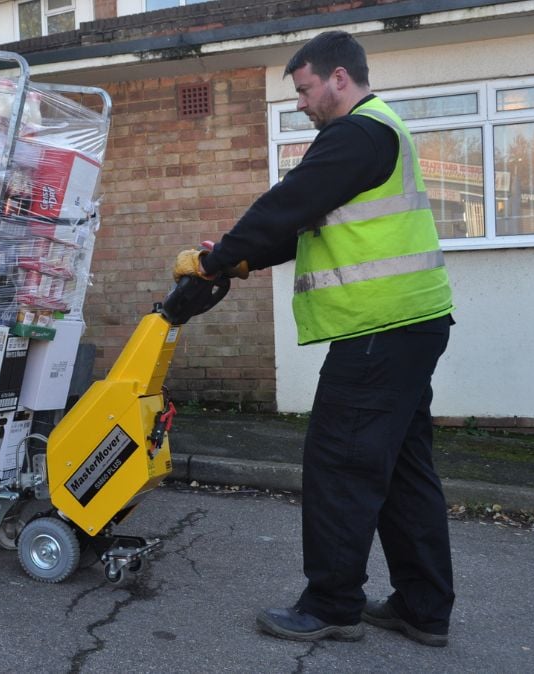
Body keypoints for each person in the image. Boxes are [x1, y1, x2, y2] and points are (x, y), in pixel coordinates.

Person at [173, 30, 455, 647]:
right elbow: (303, 225)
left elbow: (289, 202)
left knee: (341, 468)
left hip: (378, 331)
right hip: (409, 325)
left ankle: (331, 604)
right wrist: (236, 259)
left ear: (338, 79)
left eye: (303, 90)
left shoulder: (356, 134)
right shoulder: (379, 133)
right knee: (404, 473)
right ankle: (424, 606)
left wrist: (218, 261)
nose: (300, 102)